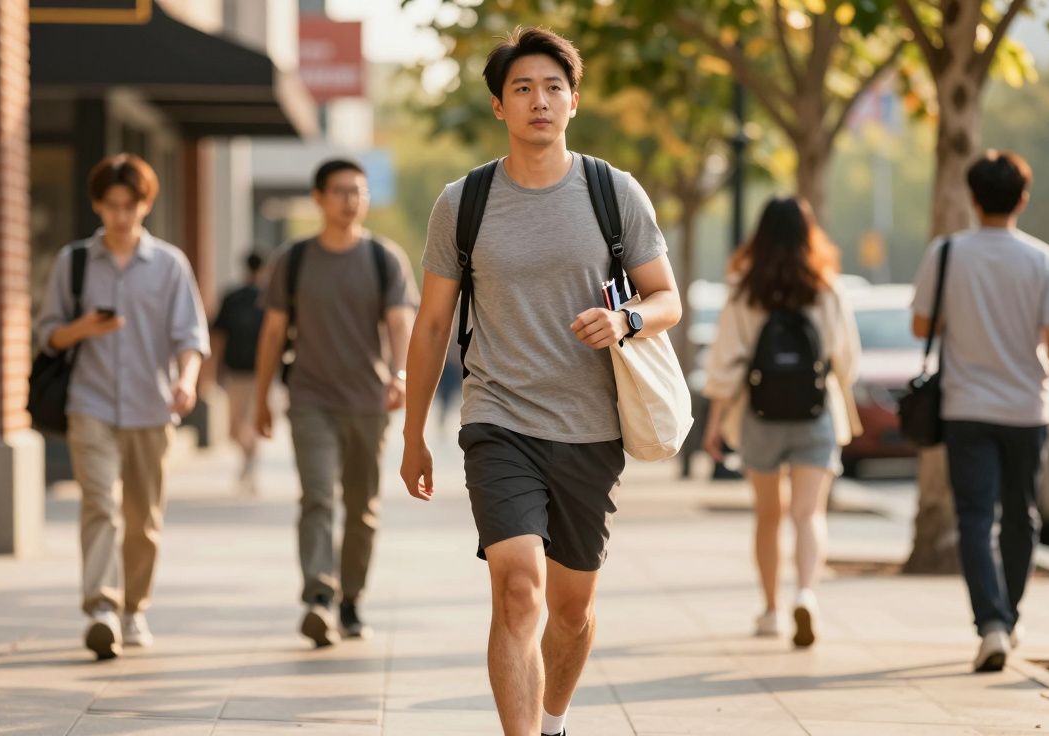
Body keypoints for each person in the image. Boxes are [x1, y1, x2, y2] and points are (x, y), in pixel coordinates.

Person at [400, 28, 681, 736]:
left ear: (574, 101)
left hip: (592, 425)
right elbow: (433, 325)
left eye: (553, 87)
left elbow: (667, 299)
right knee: (518, 590)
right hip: (498, 419)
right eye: (522, 88)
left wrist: (625, 323)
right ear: (499, 105)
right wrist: (411, 437)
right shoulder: (462, 202)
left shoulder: (612, 192)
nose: (539, 101)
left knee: (572, 611)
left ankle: (553, 721)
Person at [910, 150, 1049, 672]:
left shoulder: (946, 253)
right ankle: (1008, 618)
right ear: (1022, 200)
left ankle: (990, 624)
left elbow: (922, 326)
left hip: (966, 407)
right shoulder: (1043, 259)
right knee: (1021, 516)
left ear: (973, 197)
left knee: (975, 516)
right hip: (1028, 409)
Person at [35, 153, 210, 660]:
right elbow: (48, 334)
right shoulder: (74, 262)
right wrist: (82, 328)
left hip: (152, 407)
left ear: (145, 205)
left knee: (143, 517)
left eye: (130, 205)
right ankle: (101, 609)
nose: (120, 215)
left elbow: (190, 335)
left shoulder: (170, 264)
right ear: (97, 205)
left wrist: (187, 381)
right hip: (89, 404)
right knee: (101, 507)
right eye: (111, 205)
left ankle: (135, 609)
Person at [253, 159, 418, 648]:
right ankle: (319, 598)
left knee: (362, 507)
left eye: (359, 191)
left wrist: (401, 375)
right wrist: (260, 398)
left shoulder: (383, 258)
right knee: (318, 498)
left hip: (368, 402)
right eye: (341, 191)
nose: (351, 200)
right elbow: (273, 332)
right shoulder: (295, 259)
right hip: (310, 399)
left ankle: (351, 600)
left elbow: (398, 323)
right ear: (319, 198)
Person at [699, 197, 862, 650]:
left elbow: (725, 364)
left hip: (759, 415)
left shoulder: (744, 289)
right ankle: (806, 593)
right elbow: (845, 357)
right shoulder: (826, 288)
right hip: (815, 413)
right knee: (808, 513)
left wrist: (714, 424)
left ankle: (771, 611)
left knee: (768, 516)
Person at [211, 250, 267, 492]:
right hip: (237, 372)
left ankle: (250, 465)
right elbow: (219, 335)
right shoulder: (233, 298)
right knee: (235, 428)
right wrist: (213, 370)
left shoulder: (271, 299)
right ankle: (249, 459)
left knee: (252, 422)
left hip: (261, 373)